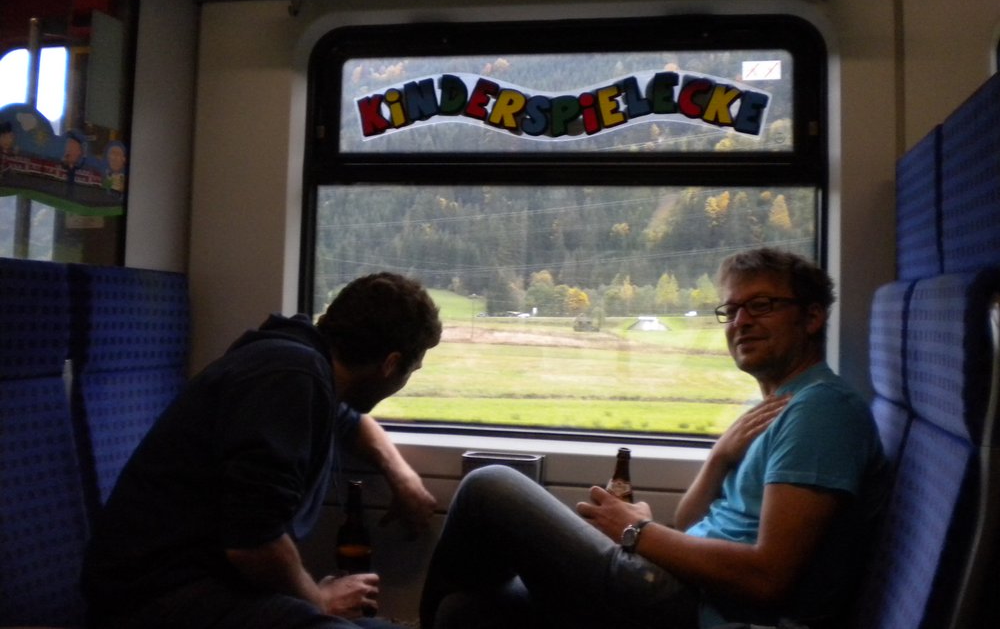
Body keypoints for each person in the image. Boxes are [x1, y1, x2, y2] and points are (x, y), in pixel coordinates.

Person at [419, 248, 888, 629]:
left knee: (490, 486)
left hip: (707, 611)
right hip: (684, 585)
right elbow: (689, 523)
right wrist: (720, 457)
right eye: (731, 309)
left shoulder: (821, 411)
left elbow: (768, 578)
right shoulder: (771, 407)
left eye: (761, 305)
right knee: (466, 613)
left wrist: (636, 532)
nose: (741, 321)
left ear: (811, 317)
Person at [82, 272, 442, 629]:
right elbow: (253, 542)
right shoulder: (291, 376)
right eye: (411, 369)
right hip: (158, 597)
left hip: (202, 586)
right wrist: (320, 602)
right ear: (390, 364)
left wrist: (401, 475)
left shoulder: (299, 361)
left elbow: (348, 421)